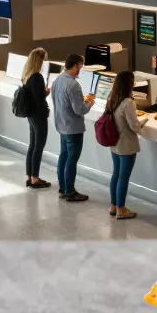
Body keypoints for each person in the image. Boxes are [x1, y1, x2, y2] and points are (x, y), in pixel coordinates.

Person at [52, 53, 96, 202]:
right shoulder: (73, 85)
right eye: (80, 67)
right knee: (72, 159)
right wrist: (89, 103)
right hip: (73, 128)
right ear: (76, 65)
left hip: (61, 125)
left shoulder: (57, 80)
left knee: (63, 156)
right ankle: (70, 191)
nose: (80, 70)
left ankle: (63, 189)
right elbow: (80, 110)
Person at [107, 70, 150, 220]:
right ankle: (121, 209)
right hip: (126, 144)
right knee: (123, 177)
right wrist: (145, 120)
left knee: (116, 174)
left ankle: (113, 205)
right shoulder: (128, 103)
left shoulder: (112, 98)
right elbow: (134, 126)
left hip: (115, 143)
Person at [20, 47, 51, 189]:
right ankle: (35, 178)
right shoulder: (37, 77)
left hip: (30, 114)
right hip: (39, 115)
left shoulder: (27, 74)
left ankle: (30, 175)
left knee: (32, 145)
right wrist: (46, 92)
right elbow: (40, 99)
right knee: (39, 146)